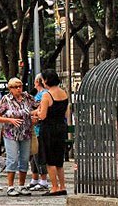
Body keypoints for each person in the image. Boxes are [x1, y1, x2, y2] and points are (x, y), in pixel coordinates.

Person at [0, 77, 37, 195]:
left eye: (20, 86)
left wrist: (35, 116)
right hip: (11, 134)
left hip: (26, 133)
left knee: (24, 159)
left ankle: (22, 185)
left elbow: (37, 107)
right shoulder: (6, 99)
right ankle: (10, 186)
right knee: (12, 159)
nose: (18, 89)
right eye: (15, 87)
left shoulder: (27, 97)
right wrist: (9, 120)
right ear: (10, 89)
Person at [33, 69, 69, 197]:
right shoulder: (64, 93)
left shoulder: (47, 95)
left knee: (50, 160)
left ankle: (54, 187)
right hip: (61, 127)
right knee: (59, 160)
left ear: (46, 80)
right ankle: (63, 186)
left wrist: (37, 113)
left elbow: (42, 116)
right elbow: (67, 113)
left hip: (48, 129)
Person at [29, 76, 50, 192]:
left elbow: (40, 110)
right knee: (33, 154)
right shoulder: (38, 94)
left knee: (39, 154)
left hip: (40, 128)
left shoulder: (44, 94)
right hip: (34, 128)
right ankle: (35, 178)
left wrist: (30, 112)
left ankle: (43, 180)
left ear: (37, 82)